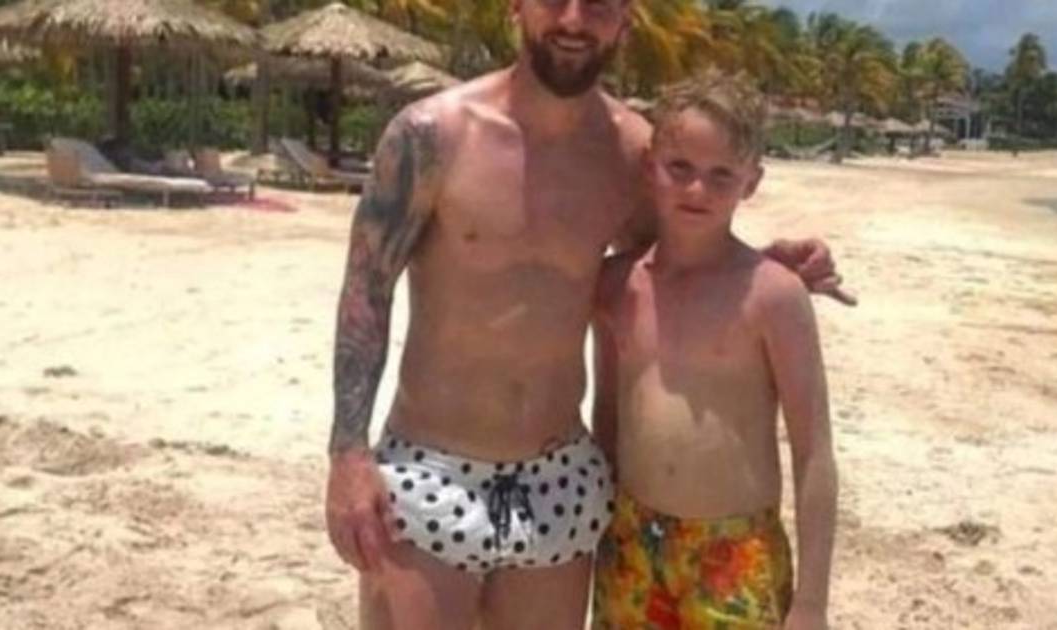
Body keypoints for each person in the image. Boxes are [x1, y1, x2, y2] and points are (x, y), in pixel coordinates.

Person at [324, 0, 851, 627]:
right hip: (431, 465)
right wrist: (347, 454)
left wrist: (763, 268)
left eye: (599, 5)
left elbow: (675, 266)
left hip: (559, 478)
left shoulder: (632, 154)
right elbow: (366, 288)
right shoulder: (433, 135)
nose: (574, 20)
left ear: (624, 20)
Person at [590, 72, 838, 630]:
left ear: (751, 182)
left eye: (721, 174)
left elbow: (814, 452)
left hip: (735, 553)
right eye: (680, 168)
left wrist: (812, 604)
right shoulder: (615, 285)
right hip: (629, 542)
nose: (697, 190)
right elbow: (607, 416)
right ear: (651, 165)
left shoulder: (773, 296)